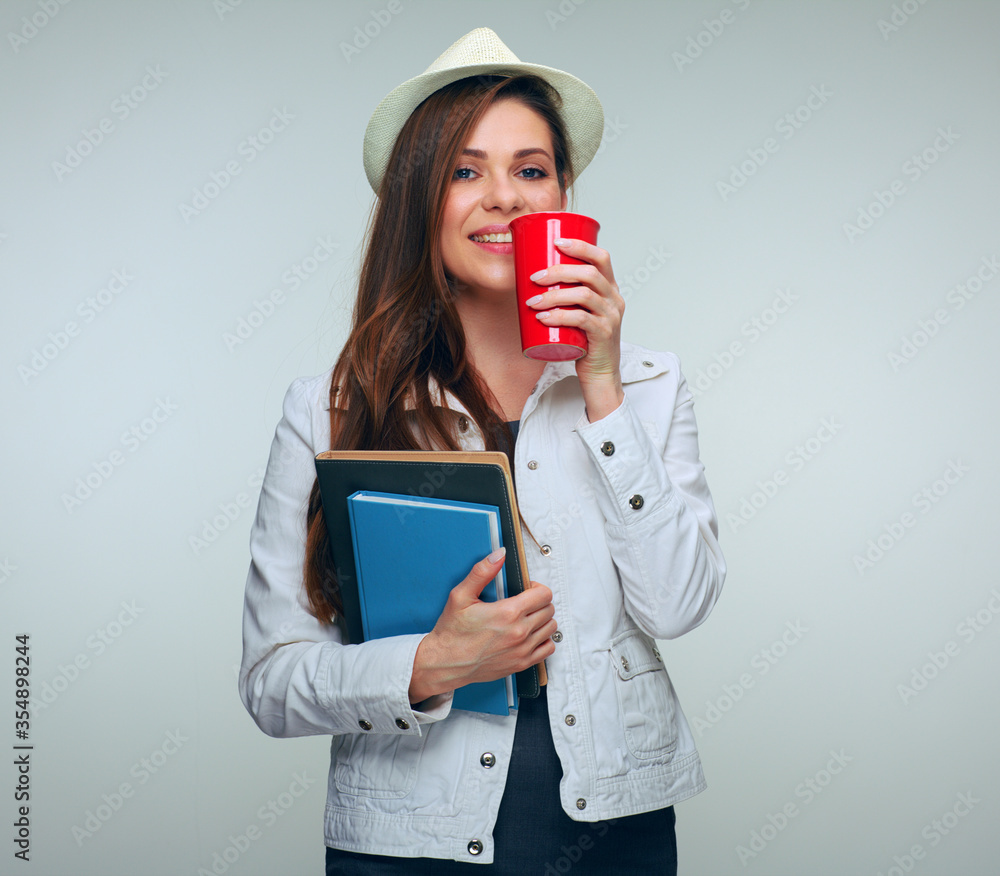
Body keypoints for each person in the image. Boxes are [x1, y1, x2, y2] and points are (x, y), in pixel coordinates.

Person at [239, 27, 726, 874]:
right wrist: (431, 664)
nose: (503, 197)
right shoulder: (329, 406)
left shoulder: (649, 386)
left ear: (565, 197)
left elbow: (680, 605)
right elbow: (272, 683)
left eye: (530, 170)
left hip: (617, 836)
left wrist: (602, 383)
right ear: (418, 204)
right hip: (405, 847)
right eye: (465, 171)